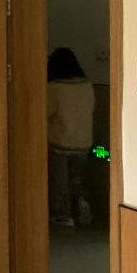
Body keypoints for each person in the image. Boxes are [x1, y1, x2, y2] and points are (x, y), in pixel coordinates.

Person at [47, 47, 96, 227]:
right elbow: (91, 108)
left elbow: (46, 112)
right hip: (84, 143)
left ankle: (63, 215)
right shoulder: (87, 85)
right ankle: (80, 205)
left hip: (60, 143)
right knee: (75, 179)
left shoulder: (54, 87)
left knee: (60, 183)